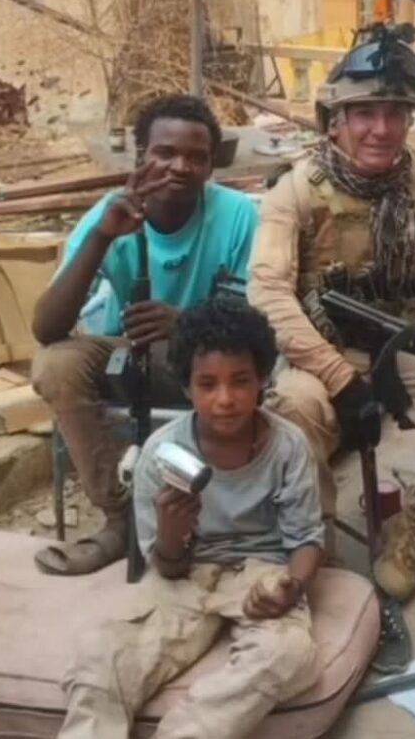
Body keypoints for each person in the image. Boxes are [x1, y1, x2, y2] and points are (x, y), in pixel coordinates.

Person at [249, 26, 415, 601]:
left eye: (395, 113)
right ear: (337, 120)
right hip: (325, 352)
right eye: (365, 114)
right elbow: (269, 293)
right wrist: (341, 380)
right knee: (293, 410)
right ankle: (311, 541)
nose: (381, 128)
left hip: (408, 345)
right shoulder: (296, 191)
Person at [59, 299, 322, 738]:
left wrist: (292, 586)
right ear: (186, 387)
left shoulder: (289, 446)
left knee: (289, 655)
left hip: (262, 571)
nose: (225, 399)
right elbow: (166, 568)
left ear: (262, 379)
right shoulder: (161, 454)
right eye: (207, 384)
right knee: (101, 660)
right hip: (185, 573)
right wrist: (171, 533)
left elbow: (307, 540)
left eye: (241, 381)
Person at [29, 95, 259, 576]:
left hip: (212, 363)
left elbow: (257, 327)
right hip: (134, 359)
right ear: (140, 156)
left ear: (211, 166)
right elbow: (46, 329)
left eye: (196, 157)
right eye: (165, 153)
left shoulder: (240, 216)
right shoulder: (108, 215)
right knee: (56, 363)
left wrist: (187, 324)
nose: (180, 167)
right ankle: (123, 519)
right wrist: (102, 237)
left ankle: (227, 521)